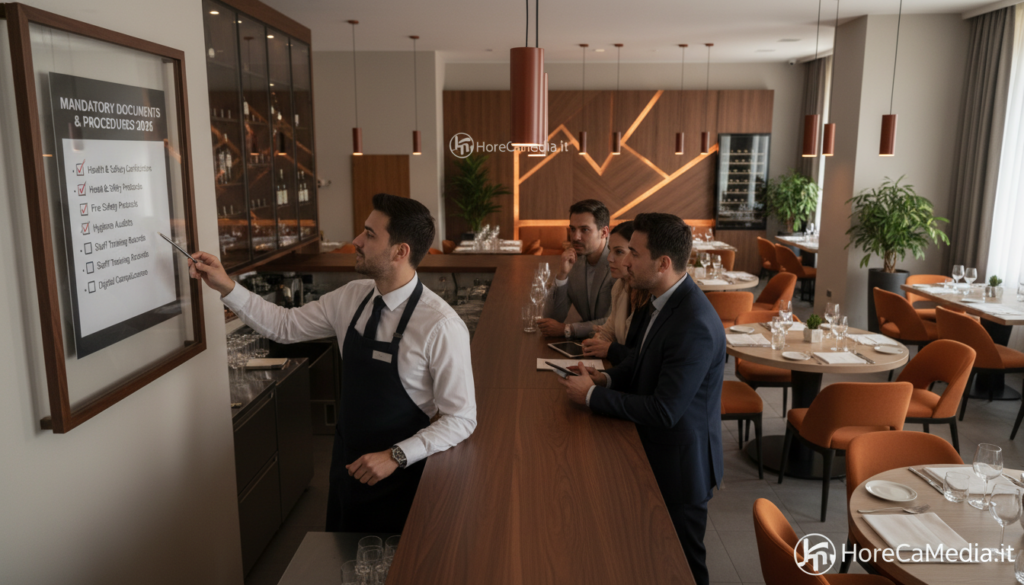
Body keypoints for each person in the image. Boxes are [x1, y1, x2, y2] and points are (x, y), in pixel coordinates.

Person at [188, 193, 477, 533]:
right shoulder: (351, 297)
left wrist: (396, 455)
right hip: (347, 462)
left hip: (404, 472)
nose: (356, 241)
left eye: (369, 234)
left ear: (400, 252)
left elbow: (461, 419)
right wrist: (226, 286)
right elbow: (284, 325)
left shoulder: (441, 325)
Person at [557, 213, 725, 585]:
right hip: (653, 450)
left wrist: (593, 396)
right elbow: (641, 361)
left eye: (634, 252)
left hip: (681, 465)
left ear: (663, 263)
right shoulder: (659, 301)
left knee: (683, 565)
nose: (626, 260)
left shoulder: (693, 323)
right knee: (650, 556)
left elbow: (665, 410)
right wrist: (606, 376)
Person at [537, 199, 614, 339]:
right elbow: (551, 319)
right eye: (573, 229)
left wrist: (569, 329)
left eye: (584, 230)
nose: (575, 237)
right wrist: (562, 275)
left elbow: (614, 323)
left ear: (603, 232)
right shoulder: (575, 260)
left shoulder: (617, 263)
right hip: (589, 345)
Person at [580, 221, 650, 366]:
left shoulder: (653, 297)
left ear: (637, 254)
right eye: (610, 250)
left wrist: (610, 349)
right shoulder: (620, 286)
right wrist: (597, 342)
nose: (609, 258)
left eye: (618, 252)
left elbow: (647, 358)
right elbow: (608, 330)